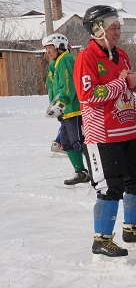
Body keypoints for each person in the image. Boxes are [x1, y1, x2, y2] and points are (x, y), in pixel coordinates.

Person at [74, 5, 136, 262]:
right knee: (110, 187)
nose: (118, 31)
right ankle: (101, 239)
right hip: (102, 136)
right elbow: (88, 96)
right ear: (97, 29)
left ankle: (132, 230)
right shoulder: (86, 58)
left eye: (119, 26)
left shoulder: (122, 55)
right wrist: (119, 83)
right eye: (113, 27)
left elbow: (128, 96)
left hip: (128, 132)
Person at [43, 32, 89, 185]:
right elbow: (53, 85)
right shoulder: (55, 62)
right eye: (46, 48)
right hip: (64, 110)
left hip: (73, 109)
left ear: (59, 46)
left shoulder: (66, 59)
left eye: (50, 47)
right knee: (66, 142)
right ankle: (81, 172)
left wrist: (61, 103)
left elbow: (68, 84)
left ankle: (98, 170)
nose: (47, 51)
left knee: (78, 141)